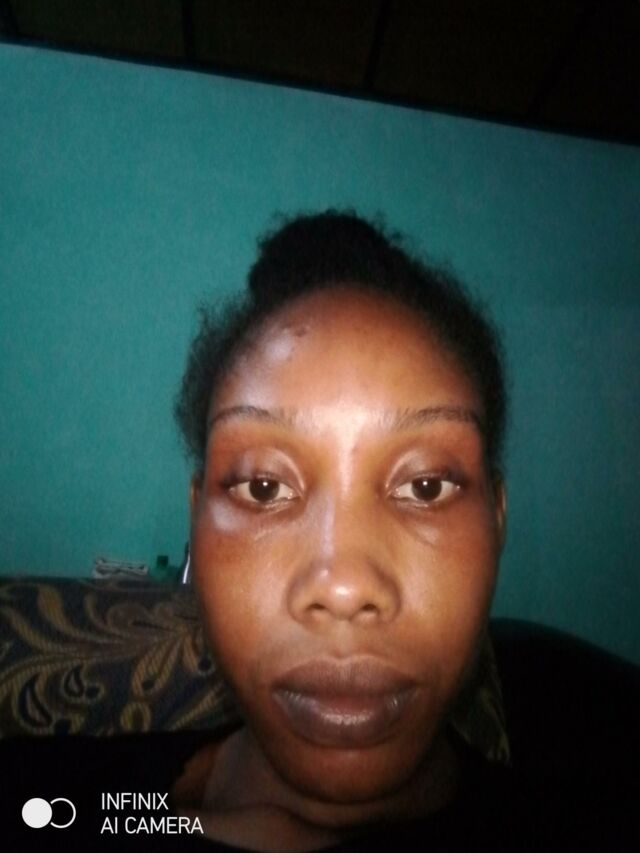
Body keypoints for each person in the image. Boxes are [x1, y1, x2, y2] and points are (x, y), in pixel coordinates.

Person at [2, 211, 636, 852]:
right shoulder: (69, 799)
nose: (343, 586)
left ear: (497, 520)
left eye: (425, 486)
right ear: (197, 516)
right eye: (263, 487)